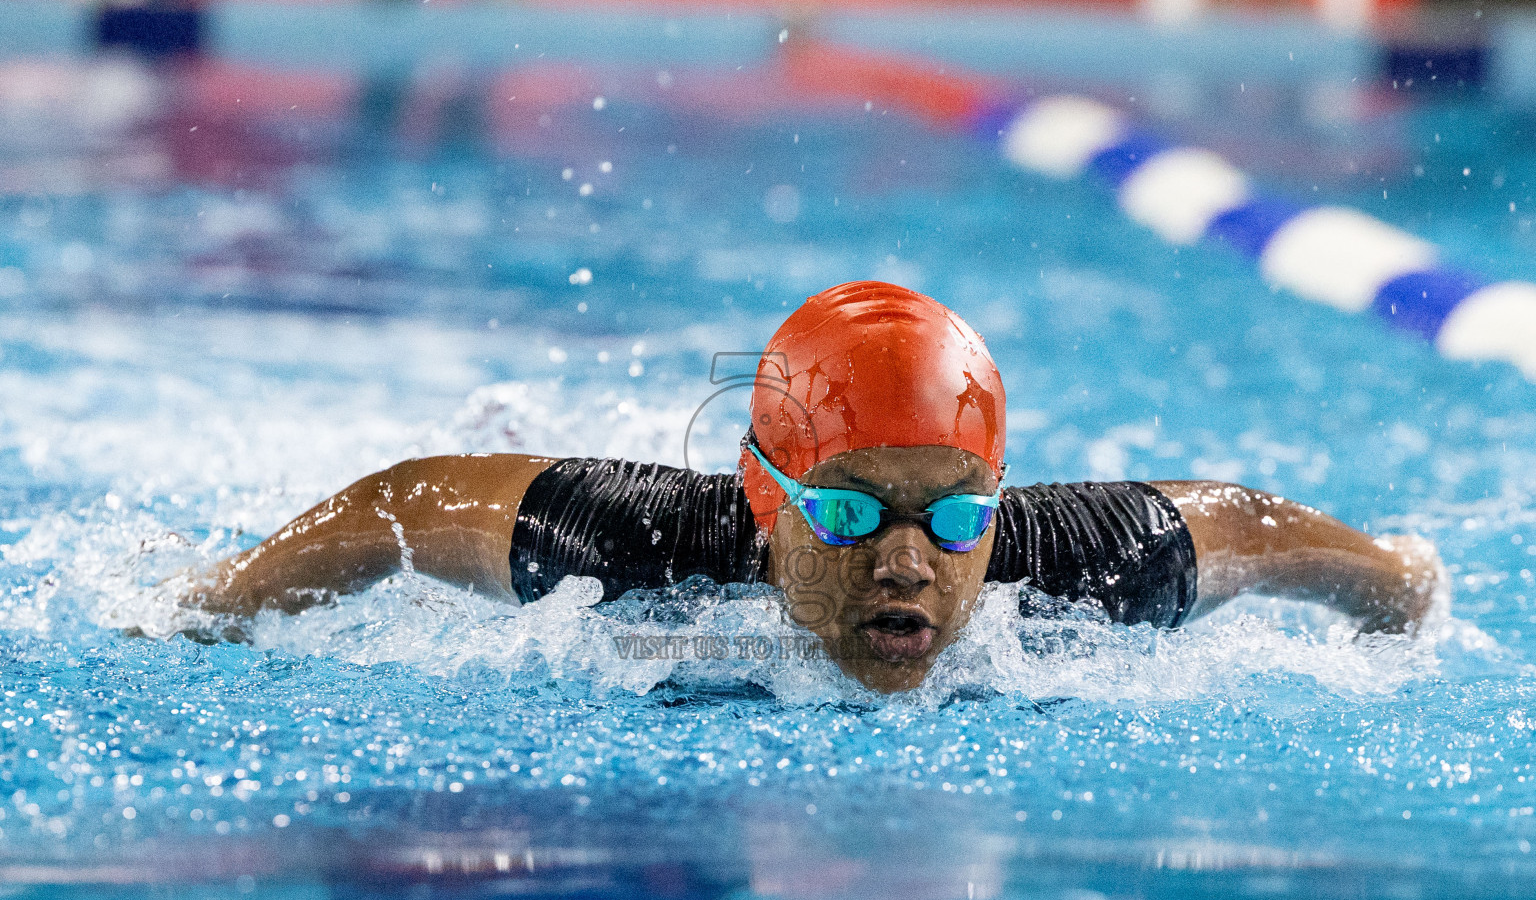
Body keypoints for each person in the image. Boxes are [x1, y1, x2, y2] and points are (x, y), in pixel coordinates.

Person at [183, 281, 1442, 693]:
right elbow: (398, 504)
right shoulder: (633, 545)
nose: (909, 561)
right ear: (771, 498)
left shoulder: (1084, 568)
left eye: (954, 513)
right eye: (849, 511)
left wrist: (1399, 589)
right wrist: (211, 607)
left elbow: (1256, 528)